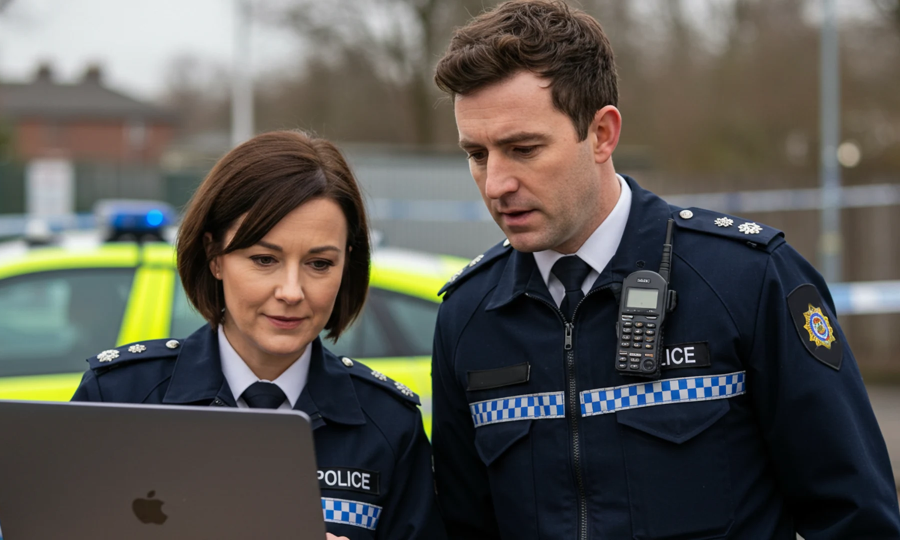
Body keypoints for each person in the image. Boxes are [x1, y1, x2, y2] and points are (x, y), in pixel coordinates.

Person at [429, 1, 900, 538]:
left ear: (602, 134)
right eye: (478, 154)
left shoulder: (747, 280)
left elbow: (856, 517)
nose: (496, 184)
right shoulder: (467, 316)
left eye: (523, 148)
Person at [71, 130, 444, 540]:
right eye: (264, 259)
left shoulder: (389, 425)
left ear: (347, 265)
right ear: (214, 257)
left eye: (319, 264)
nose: (291, 291)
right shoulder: (118, 398)